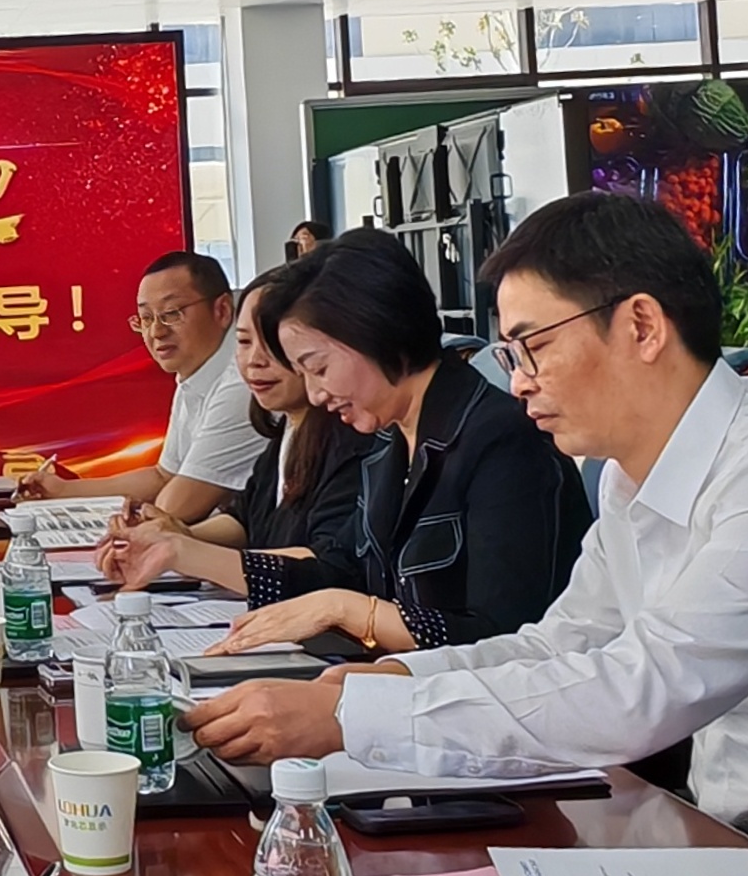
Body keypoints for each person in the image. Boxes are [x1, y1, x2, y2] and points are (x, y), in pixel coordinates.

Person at [190, 193, 748, 838]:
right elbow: (563, 646)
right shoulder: (636, 479)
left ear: (640, 326)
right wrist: (390, 683)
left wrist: (350, 720)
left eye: (534, 346)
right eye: (509, 354)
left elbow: (640, 690)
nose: (519, 381)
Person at [179, 229, 588, 651]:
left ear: (375, 334)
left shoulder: (502, 444)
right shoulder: (389, 442)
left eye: (319, 369)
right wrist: (182, 554)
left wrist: (347, 610)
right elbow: (340, 569)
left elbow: (499, 636)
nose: (315, 395)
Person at [96, 266, 373, 596]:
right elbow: (244, 519)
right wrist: (173, 536)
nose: (255, 360)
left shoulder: (351, 437)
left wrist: (184, 551)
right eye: (243, 342)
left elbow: (327, 566)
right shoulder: (286, 428)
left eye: (273, 342)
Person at [30, 251, 263, 522]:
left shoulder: (243, 383)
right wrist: (63, 491)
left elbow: (176, 506)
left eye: (171, 313)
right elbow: (163, 476)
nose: (156, 332)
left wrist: (126, 520)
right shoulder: (195, 373)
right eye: (146, 318)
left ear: (222, 310)